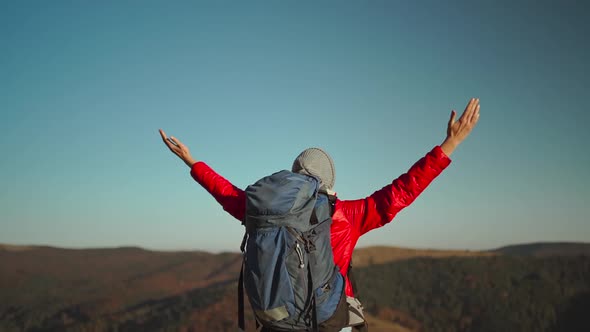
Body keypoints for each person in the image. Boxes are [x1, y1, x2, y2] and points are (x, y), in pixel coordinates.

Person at [160, 98, 481, 331]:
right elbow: (402, 191)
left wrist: (192, 161)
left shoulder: (263, 212)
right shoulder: (349, 214)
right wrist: (449, 145)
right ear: (328, 181)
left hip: (278, 322)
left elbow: (225, 192)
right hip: (331, 322)